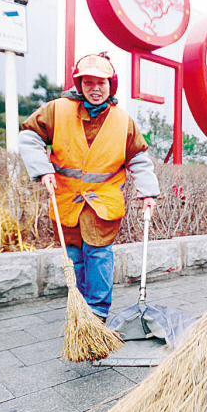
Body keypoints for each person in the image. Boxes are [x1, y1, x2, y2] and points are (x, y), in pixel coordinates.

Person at [19, 53, 160, 321]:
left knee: (98, 254)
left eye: (101, 83)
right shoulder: (57, 109)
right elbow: (30, 135)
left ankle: (97, 312)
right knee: (74, 256)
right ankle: (80, 308)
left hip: (102, 202)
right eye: (88, 83)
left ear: (112, 85)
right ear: (79, 84)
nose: (95, 89)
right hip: (66, 199)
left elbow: (139, 158)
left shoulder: (123, 121)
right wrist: (43, 170)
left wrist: (148, 192)